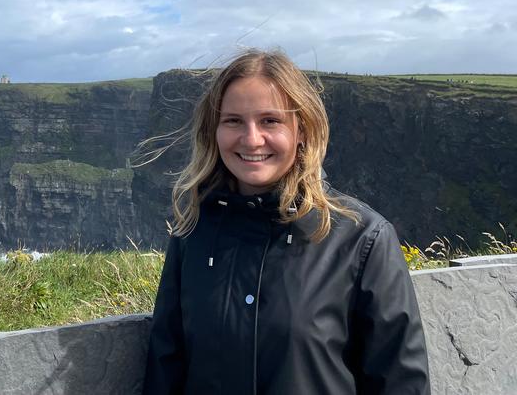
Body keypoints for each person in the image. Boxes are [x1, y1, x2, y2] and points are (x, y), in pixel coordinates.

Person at [142, 49, 430, 394]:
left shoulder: (362, 239)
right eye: (233, 120)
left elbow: (400, 382)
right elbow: (165, 369)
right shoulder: (193, 231)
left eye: (270, 121)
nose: (251, 139)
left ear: (303, 129)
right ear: (213, 131)